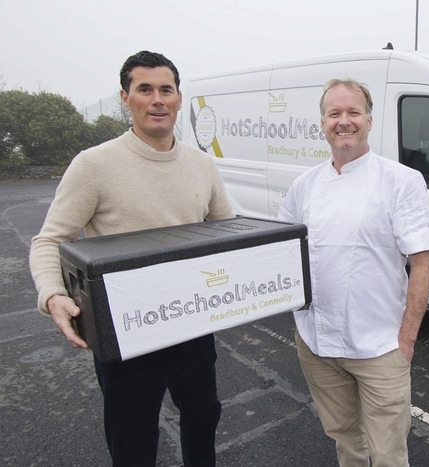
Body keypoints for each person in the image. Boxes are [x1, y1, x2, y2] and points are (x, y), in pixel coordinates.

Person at [29, 50, 234, 467]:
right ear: (126, 98)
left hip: (193, 325)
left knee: (203, 420)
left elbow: (229, 233)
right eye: (145, 90)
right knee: (134, 442)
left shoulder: (202, 164)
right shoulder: (94, 165)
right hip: (125, 333)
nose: (157, 99)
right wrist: (53, 296)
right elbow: (49, 240)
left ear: (179, 98)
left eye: (166, 89)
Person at [277, 78, 429, 467]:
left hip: (380, 346)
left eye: (353, 113)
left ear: (369, 120)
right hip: (317, 343)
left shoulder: (401, 181)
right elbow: (280, 251)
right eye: (335, 113)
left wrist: (407, 340)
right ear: (322, 123)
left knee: (387, 453)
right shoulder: (304, 185)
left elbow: (422, 262)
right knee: (346, 441)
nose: (343, 121)